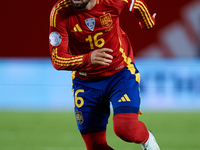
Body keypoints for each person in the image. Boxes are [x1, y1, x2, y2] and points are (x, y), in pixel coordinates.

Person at [49, 0, 160, 149]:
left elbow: (136, 3)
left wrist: (147, 22)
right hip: (85, 81)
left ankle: (147, 139)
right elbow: (57, 59)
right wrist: (89, 58)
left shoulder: (112, 1)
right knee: (95, 145)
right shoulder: (60, 12)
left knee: (126, 130)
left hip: (119, 73)